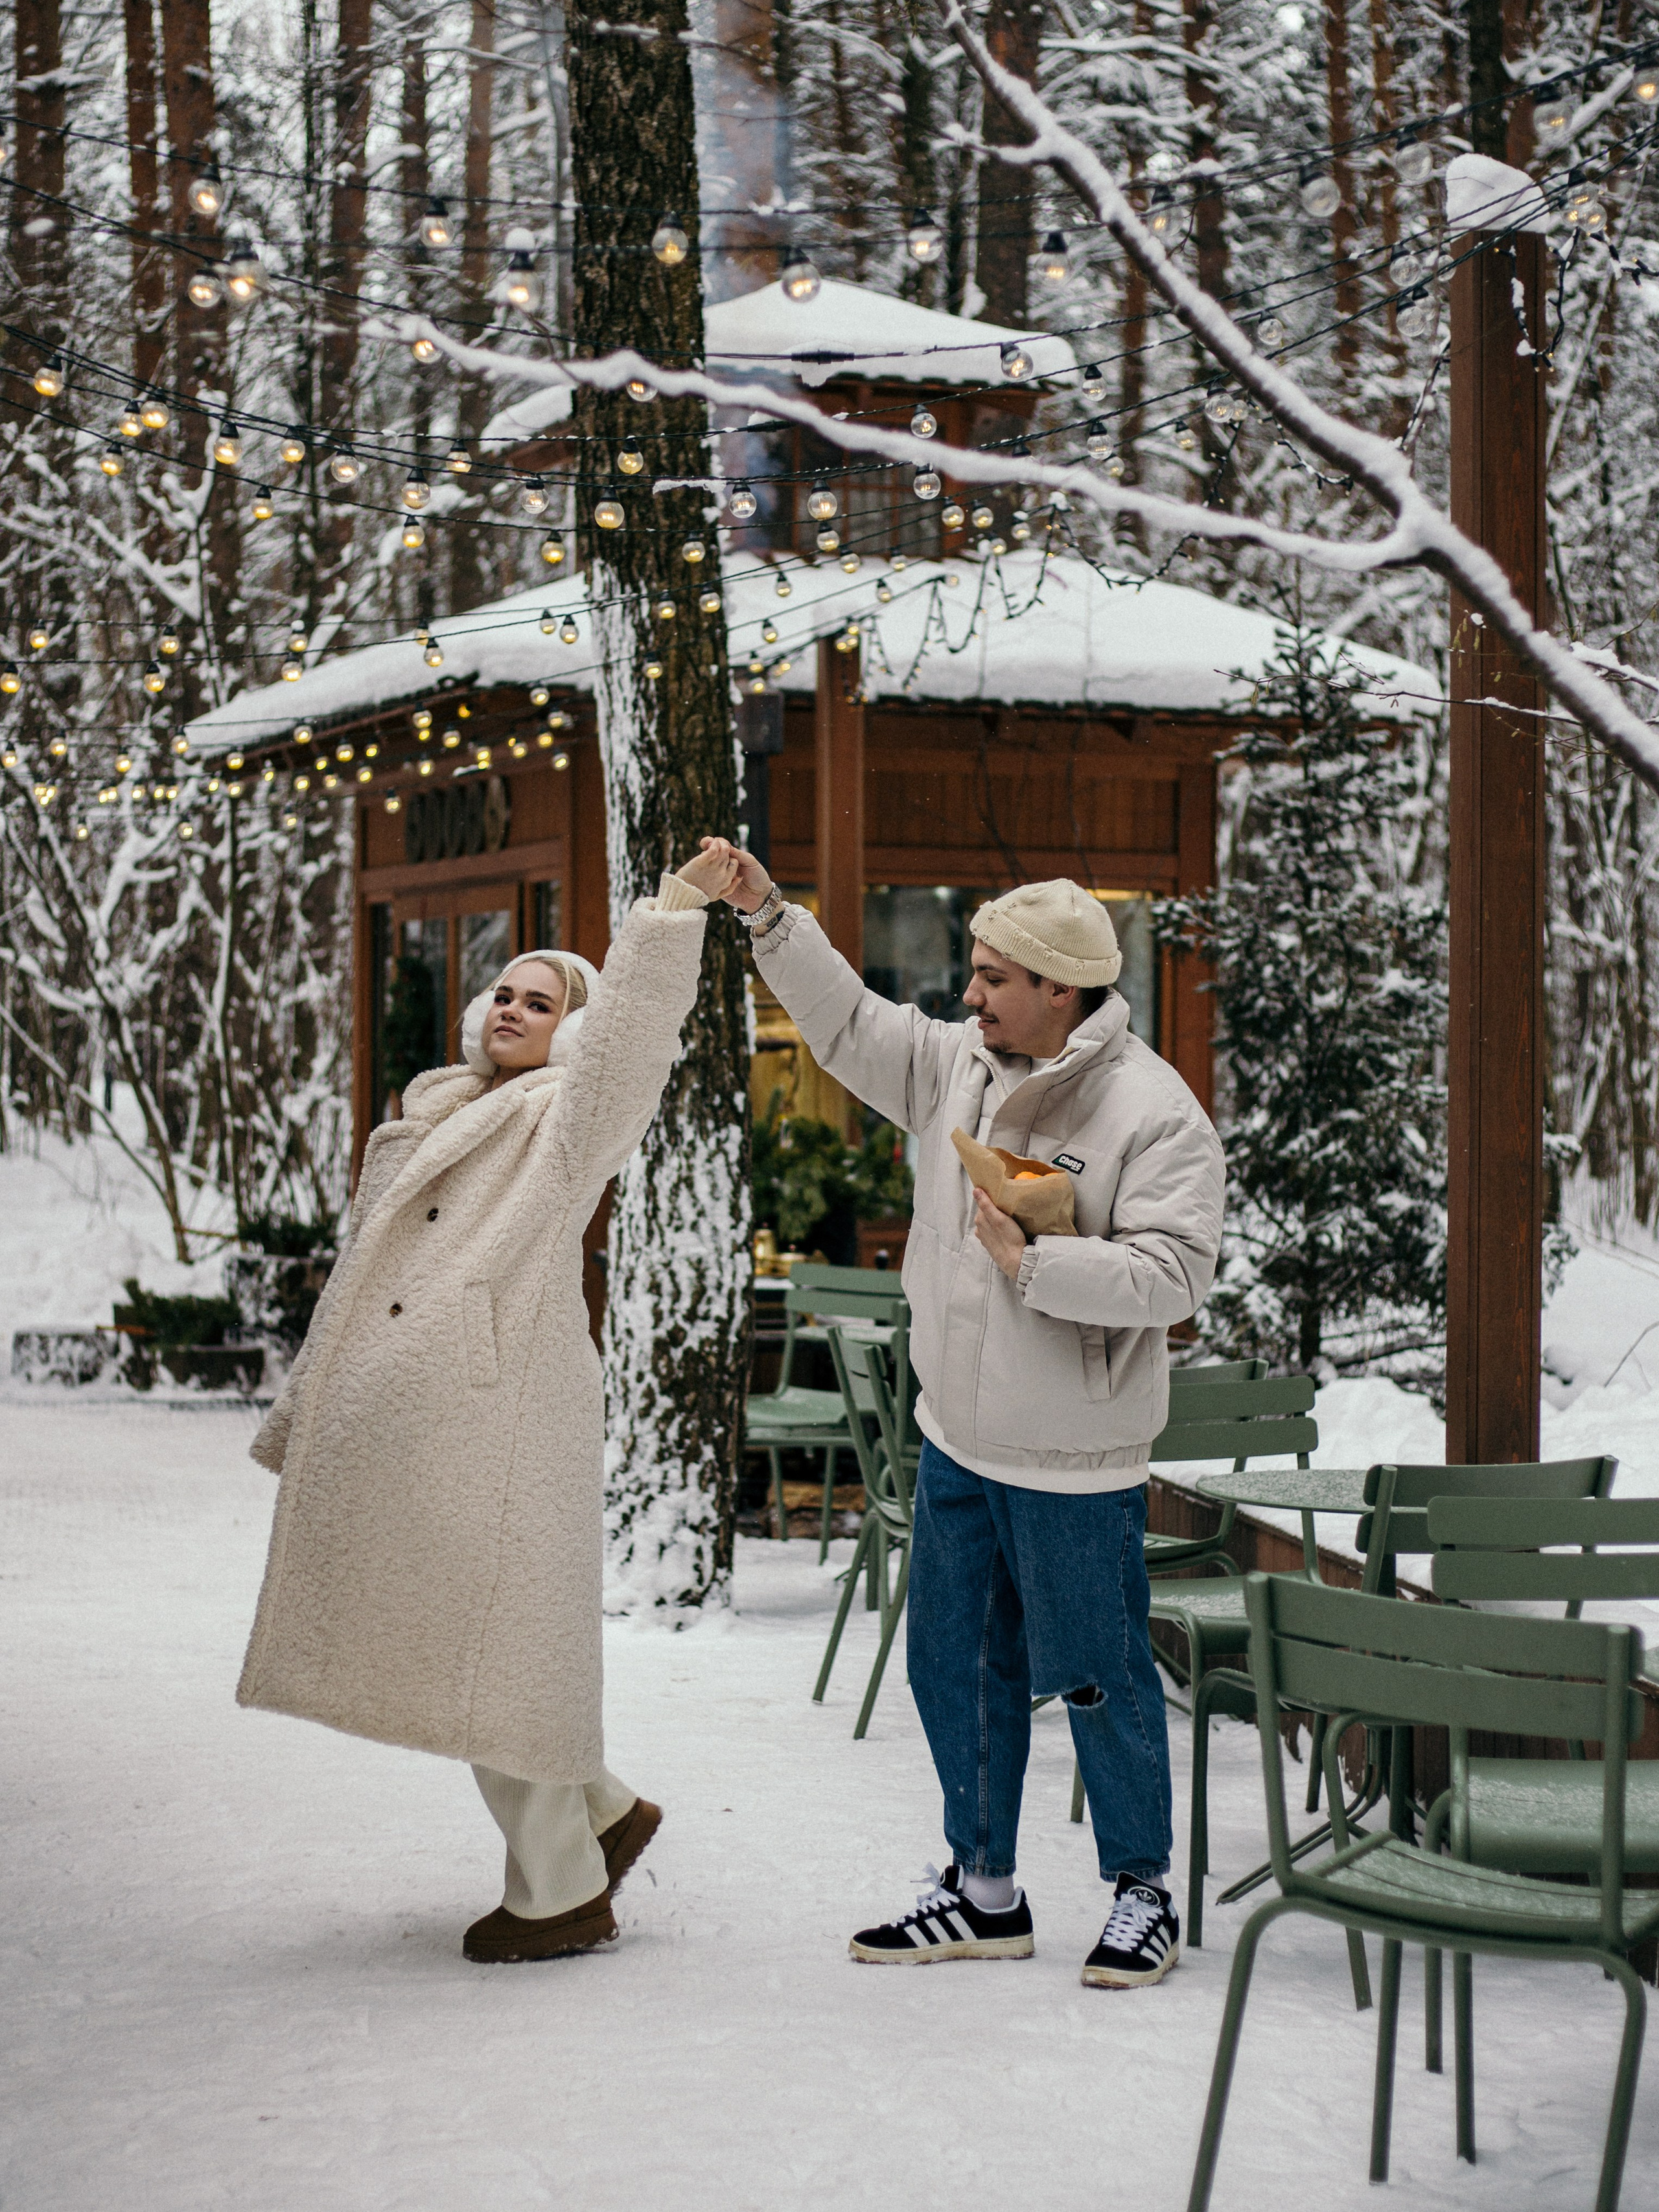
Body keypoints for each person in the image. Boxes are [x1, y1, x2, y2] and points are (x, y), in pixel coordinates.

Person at [704, 843, 1224, 1988]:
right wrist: (767, 913)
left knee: (1097, 1672)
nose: (969, 991)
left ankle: (1144, 1890)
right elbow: (845, 1025)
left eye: (994, 976)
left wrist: (1040, 1260)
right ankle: (983, 1889)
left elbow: (1178, 1275)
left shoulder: (1155, 1112)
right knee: (952, 1663)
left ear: (1061, 990)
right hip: (956, 1438)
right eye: (974, 970)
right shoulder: (956, 1066)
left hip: (1076, 1455)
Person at [238, 843, 739, 1964]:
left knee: (494, 1651)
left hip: (502, 1417)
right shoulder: (441, 1110)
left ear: (572, 1030)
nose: (514, 1006)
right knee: (484, 1644)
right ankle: (602, 1810)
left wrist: (670, 916)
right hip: (440, 1429)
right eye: (503, 992)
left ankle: (560, 1890)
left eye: (541, 998)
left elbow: (631, 1046)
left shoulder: (567, 1117)